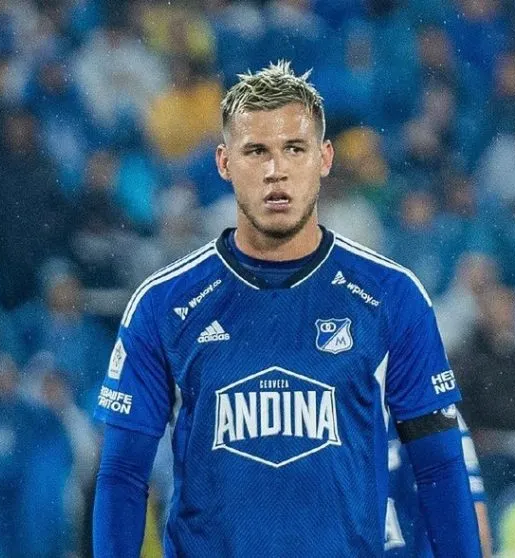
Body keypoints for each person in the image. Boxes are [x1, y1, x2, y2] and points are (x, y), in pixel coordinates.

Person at [93, 61, 485, 557]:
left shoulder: (392, 296)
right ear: (224, 162)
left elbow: (439, 467)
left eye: (294, 149)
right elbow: (123, 474)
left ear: (324, 157)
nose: (275, 170)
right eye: (256, 150)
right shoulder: (163, 305)